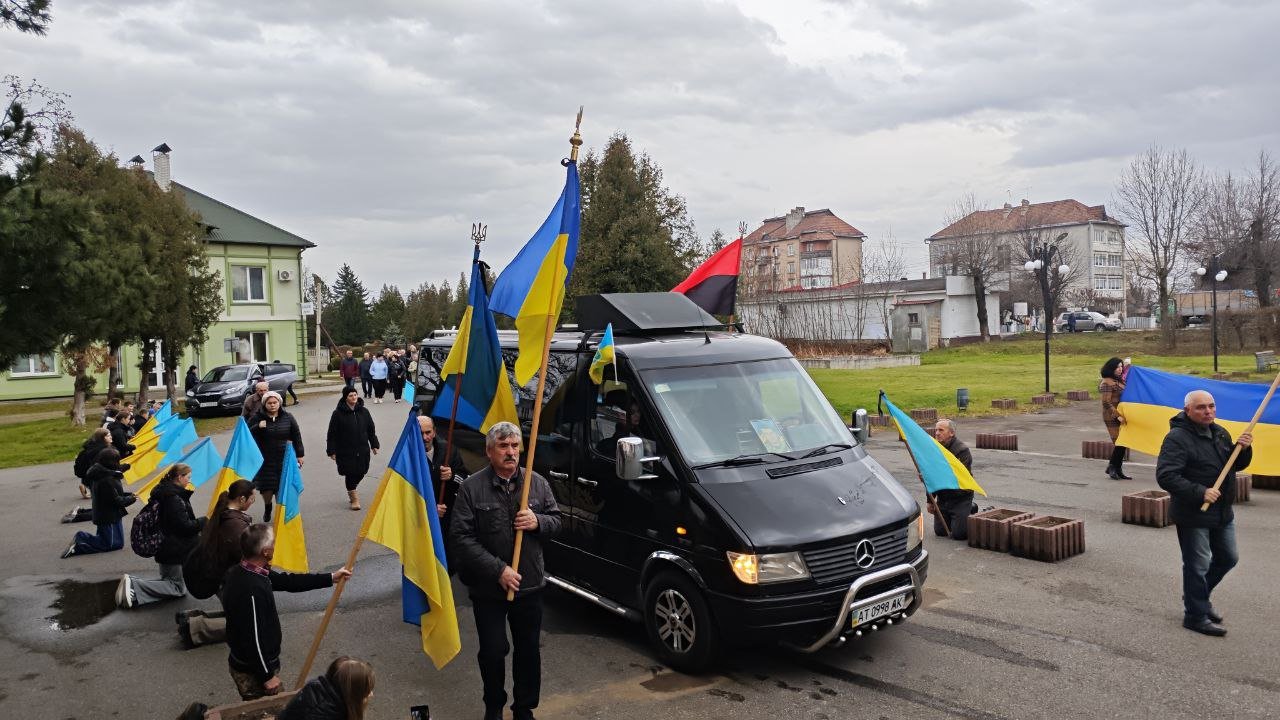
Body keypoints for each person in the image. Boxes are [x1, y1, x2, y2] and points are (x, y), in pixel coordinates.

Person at [450, 421, 562, 720]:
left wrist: (538, 522)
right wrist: (499, 570)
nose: (511, 452)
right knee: (492, 650)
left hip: (530, 585)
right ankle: (494, 706)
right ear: (490, 451)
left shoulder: (537, 483)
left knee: (528, 651)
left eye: (515, 446)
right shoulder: (471, 488)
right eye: (503, 446)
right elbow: (461, 538)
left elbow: (556, 521)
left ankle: (524, 708)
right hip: (489, 588)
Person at [1156, 390, 1252, 637]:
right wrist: (1201, 492)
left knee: (1228, 558)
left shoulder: (1219, 432)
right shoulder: (1177, 438)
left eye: (1211, 406)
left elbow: (1233, 465)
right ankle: (1195, 615)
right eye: (1201, 407)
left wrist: (1243, 449)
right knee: (1197, 565)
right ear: (1187, 410)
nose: (1208, 411)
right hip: (1193, 513)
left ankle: (1196, 595)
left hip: (1222, 512)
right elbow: (1166, 476)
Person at [222, 523, 351, 701]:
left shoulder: (250, 570)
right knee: (273, 708)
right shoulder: (251, 590)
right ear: (266, 552)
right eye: (274, 543)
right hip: (253, 671)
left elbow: (288, 582)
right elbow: (253, 638)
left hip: (257, 664)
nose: (276, 545)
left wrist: (330, 578)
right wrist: (267, 676)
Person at [177, 480, 256, 648]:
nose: (253, 502)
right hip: (221, 578)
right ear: (242, 499)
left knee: (239, 612)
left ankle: (191, 617)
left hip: (214, 574)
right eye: (252, 499)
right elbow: (244, 558)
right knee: (248, 623)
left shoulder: (225, 513)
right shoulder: (235, 525)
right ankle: (193, 628)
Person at [117, 463, 206, 608]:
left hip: (166, 545)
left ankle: (134, 588)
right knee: (177, 587)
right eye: (188, 477)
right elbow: (183, 526)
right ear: (179, 477)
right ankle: (134, 585)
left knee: (171, 583)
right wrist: (203, 521)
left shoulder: (165, 491)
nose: (189, 480)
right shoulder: (173, 498)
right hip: (173, 547)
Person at [62, 448, 136, 558]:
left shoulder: (102, 471)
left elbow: (115, 478)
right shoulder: (106, 480)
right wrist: (131, 498)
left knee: (117, 544)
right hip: (107, 516)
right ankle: (81, 539)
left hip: (112, 514)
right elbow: (116, 501)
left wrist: (126, 467)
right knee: (110, 544)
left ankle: (86, 541)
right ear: (112, 463)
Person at [249, 391, 304, 523]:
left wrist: (300, 455)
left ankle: (281, 514)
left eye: (275, 402)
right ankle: (268, 506)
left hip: (284, 458)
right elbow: (247, 435)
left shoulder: (288, 417)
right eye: (269, 403)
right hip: (264, 459)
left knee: (282, 486)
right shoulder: (257, 418)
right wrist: (257, 427)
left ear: (279, 403)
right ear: (264, 404)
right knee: (266, 488)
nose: (273, 405)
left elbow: (296, 436)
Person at [327, 386, 380, 511]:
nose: (354, 397)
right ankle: (354, 498)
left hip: (362, 448)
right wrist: (331, 450)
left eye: (355, 395)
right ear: (345, 398)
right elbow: (332, 434)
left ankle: (352, 488)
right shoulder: (337, 414)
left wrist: (374, 444)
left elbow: (371, 430)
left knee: (362, 471)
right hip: (345, 450)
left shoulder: (364, 411)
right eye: (351, 395)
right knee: (350, 473)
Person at [280, 656, 376, 720]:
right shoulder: (333, 714)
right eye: (366, 691)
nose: (371, 694)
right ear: (351, 693)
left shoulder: (315, 687)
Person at [931, 418, 975, 541]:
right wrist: (930, 501)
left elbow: (958, 477)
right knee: (940, 532)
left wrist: (936, 474)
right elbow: (931, 477)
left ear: (951, 433)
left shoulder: (962, 450)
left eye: (941, 430)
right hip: (943, 498)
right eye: (936, 430)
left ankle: (971, 509)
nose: (937, 433)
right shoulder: (934, 449)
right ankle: (954, 517)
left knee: (959, 535)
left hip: (960, 497)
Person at [419, 415, 467, 521]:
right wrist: (429, 509)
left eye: (428, 432)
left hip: (447, 516)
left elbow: (464, 479)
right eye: (420, 433)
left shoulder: (449, 450)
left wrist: (451, 476)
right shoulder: (408, 457)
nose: (424, 438)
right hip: (419, 519)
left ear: (434, 431)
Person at [1099, 357, 1132, 479]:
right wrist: (1117, 416)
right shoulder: (1107, 382)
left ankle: (1117, 468)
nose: (1120, 369)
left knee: (1123, 441)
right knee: (1119, 442)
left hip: (1122, 414)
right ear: (1111, 368)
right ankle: (1113, 467)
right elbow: (1106, 403)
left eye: (1121, 367)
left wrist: (1128, 365)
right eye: (1117, 367)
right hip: (1111, 416)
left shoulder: (1119, 380)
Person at [73, 428, 112, 499]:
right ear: (102, 438)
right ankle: (89, 489)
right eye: (108, 436)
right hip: (94, 475)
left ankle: (86, 486)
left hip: (86, 473)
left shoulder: (91, 446)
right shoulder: (102, 449)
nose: (111, 437)